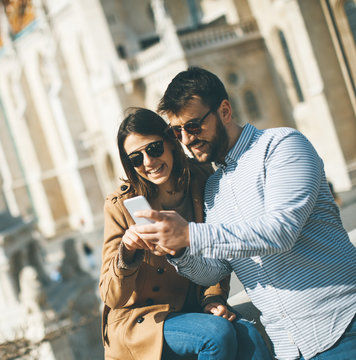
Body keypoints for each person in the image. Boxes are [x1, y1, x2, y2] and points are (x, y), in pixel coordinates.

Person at [133, 67, 356, 359]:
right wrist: (178, 251)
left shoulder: (282, 146)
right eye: (177, 132)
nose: (186, 140)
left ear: (224, 110)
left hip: (342, 326)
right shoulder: (213, 188)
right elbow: (217, 269)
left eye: (194, 126)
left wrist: (189, 232)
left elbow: (280, 233)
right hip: (288, 348)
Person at [100, 108, 270, 360]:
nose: (148, 163)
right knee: (215, 335)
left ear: (170, 142)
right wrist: (127, 252)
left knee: (250, 337)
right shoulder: (120, 204)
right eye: (136, 158)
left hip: (191, 309)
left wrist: (214, 297)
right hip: (141, 322)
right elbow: (111, 296)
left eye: (154, 149)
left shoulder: (202, 178)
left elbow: (217, 247)